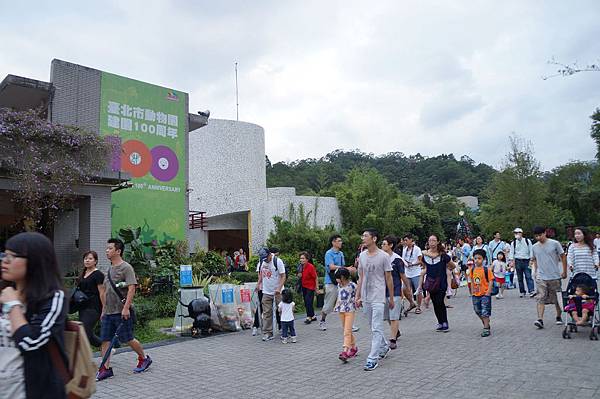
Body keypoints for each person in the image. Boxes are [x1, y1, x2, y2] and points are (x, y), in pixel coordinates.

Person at [0, 232, 68, 398]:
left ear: (35, 262)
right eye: (4, 254)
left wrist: (13, 305)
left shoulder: (54, 298)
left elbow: (31, 342)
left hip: (33, 391)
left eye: (12, 256)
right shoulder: (4, 293)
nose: (5, 261)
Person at [97, 238, 152, 381]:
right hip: (108, 312)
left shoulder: (126, 268)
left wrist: (126, 308)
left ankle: (144, 358)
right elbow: (106, 291)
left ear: (118, 251)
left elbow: (131, 288)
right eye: (107, 248)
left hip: (121, 312)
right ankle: (105, 368)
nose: (107, 251)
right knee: (105, 340)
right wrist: (103, 310)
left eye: (110, 249)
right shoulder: (108, 269)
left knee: (128, 339)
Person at [355, 229, 394, 371]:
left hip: (378, 295)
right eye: (363, 235)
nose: (363, 238)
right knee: (373, 325)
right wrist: (357, 296)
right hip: (366, 296)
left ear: (374, 238)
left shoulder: (384, 256)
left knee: (376, 327)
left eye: (366, 236)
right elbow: (361, 277)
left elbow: (388, 278)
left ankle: (372, 358)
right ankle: (384, 346)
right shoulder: (362, 256)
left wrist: (391, 297)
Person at [531, 226, 568, 329]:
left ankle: (558, 316)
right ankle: (540, 319)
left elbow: (563, 256)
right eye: (536, 236)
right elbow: (534, 259)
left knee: (557, 298)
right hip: (541, 276)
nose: (538, 237)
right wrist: (534, 271)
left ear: (545, 233)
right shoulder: (534, 247)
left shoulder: (555, 243)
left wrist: (564, 271)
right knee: (540, 297)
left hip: (554, 275)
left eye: (540, 235)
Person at [418, 235, 457, 332]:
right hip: (431, 282)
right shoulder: (425, 256)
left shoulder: (443, 255)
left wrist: (447, 268)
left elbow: (452, 265)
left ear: (438, 242)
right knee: (435, 303)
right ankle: (440, 322)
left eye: (434, 240)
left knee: (440, 301)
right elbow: (423, 265)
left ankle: (445, 322)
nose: (432, 242)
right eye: (430, 240)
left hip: (441, 282)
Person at [320, 235, 356, 331]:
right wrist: (345, 268)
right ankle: (322, 320)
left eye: (341, 241)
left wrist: (348, 269)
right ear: (333, 242)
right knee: (329, 304)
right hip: (331, 281)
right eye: (339, 241)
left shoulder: (341, 253)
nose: (341, 243)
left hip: (342, 281)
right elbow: (331, 267)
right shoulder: (329, 253)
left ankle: (349, 324)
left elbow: (342, 267)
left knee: (347, 302)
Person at [381, 235, 410, 350]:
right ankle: (396, 331)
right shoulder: (380, 258)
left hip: (396, 290)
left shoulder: (397, 260)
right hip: (382, 291)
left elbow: (402, 275)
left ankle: (392, 339)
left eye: (384, 244)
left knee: (394, 316)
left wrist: (407, 287)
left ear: (391, 245)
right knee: (388, 316)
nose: (382, 246)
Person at [75, 251, 105, 347]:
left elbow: (102, 293)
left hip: (94, 307)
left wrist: (104, 309)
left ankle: (84, 356)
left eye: (90, 258)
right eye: (86, 258)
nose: (87, 260)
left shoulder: (98, 274)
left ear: (95, 261)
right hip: (83, 306)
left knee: (84, 331)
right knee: (86, 332)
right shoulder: (83, 273)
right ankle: (105, 346)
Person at [256, 247, 286, 341]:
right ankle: (268, 332)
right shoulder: (262, 262)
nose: (265, 260)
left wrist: (279, 288)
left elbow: (283, 276)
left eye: (266, 258)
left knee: (282, 311)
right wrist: (258, 284)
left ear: (269, 254)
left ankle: (285, 330)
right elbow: (261, 274)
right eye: (263, 259)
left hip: (278, 291)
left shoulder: (278, 261)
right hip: (266, 291)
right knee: (266, 312)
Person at [334, 268, 358, 362]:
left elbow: (359, 294)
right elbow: (339, 297)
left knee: (347, 331)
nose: (336, 280)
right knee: (346, 329)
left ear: (343, 277)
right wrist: (336, 306)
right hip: (341, 310)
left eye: (338, 278)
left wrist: (359, 301)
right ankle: (353, 348)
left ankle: (345, 351)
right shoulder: (339, 285)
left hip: (350, 310)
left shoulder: (352, 285)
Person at [469, 249, 495, 337]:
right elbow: (472, 281)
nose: (477, 260)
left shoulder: (486, 270)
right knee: (477, 310)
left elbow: (491, 281)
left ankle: (486, 328)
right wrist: (472, 291)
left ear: (483, 259)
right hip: (476, 294)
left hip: (485, 294)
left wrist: (488, 292)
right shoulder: (472, 270)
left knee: (485, 311)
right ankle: (486, 322)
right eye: (475, 258)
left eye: (479, 258)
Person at [508, 228, 535, 298]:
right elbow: (511, 252)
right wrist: (511, 261)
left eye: (518, 233)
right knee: (520, 278)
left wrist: (531, 259)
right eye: (515, 233)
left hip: (526, 260)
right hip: (518, 261)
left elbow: (531, 250)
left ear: (521, 233)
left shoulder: (527, 241)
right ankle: (522, 291)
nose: (516, 234)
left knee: (528, 276)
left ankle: (531, 290)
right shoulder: (513, 243)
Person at [401, 234, 422, 315]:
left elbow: (420, 260)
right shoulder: (404, 249)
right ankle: (411, 302)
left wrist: (412, 264)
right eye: (404, 240)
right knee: (404, 289)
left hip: (416, 272)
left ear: (411, 240)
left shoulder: (417, 249)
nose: (405, 242)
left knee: (418, 290)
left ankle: (418, 307)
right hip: (407, 272)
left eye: (406, 240)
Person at [299, 252, 318, 324]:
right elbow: (299, 276)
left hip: (310, 287)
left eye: (303, 258)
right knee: (306, 301)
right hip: (304, 286)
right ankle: (313, 316)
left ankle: (309, 317)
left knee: (308, 301)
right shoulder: (300, 266)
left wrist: (317, 287)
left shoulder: (310, 267)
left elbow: (315, 277)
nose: (301, 260)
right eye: (300, 258)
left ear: (307, 259)